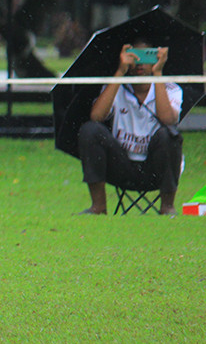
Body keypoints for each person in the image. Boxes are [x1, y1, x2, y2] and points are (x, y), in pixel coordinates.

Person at [77, 40, 182, 215]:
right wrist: (120, 71)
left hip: (155, 168)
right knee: (91, 130)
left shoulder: (170, 88)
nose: (140, 64)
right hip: (122, 165)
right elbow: (96, 117)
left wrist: (158, 73)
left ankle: (168, 207)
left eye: (145, 57)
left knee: (169, 135)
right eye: (135, 57)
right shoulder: (116, 88)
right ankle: (98, 207)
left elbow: (168, 119)